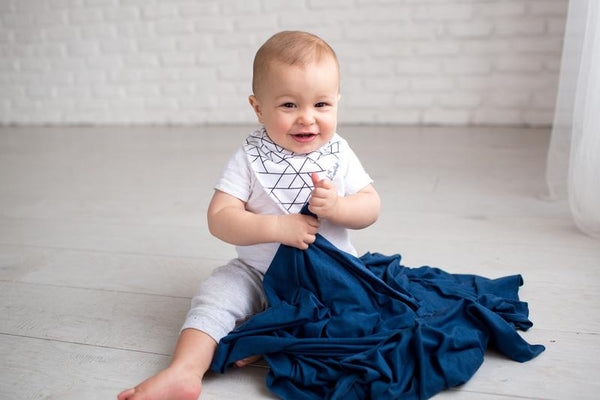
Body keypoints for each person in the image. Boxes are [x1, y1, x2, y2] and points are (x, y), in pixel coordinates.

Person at [117, 30, 381, 400]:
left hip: (329, 276)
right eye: (289, 105)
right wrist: (277, 227)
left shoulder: (338, 154)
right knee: (216, 294)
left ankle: (265, 335)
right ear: (258, 108)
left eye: (321, 104)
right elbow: (220, 217)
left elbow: (371, 205)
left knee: (352, 315)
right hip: (257, 271)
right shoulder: (250, 157)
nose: (307, 118)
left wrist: (340, 207)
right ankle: (185, 370)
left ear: (337, 101)